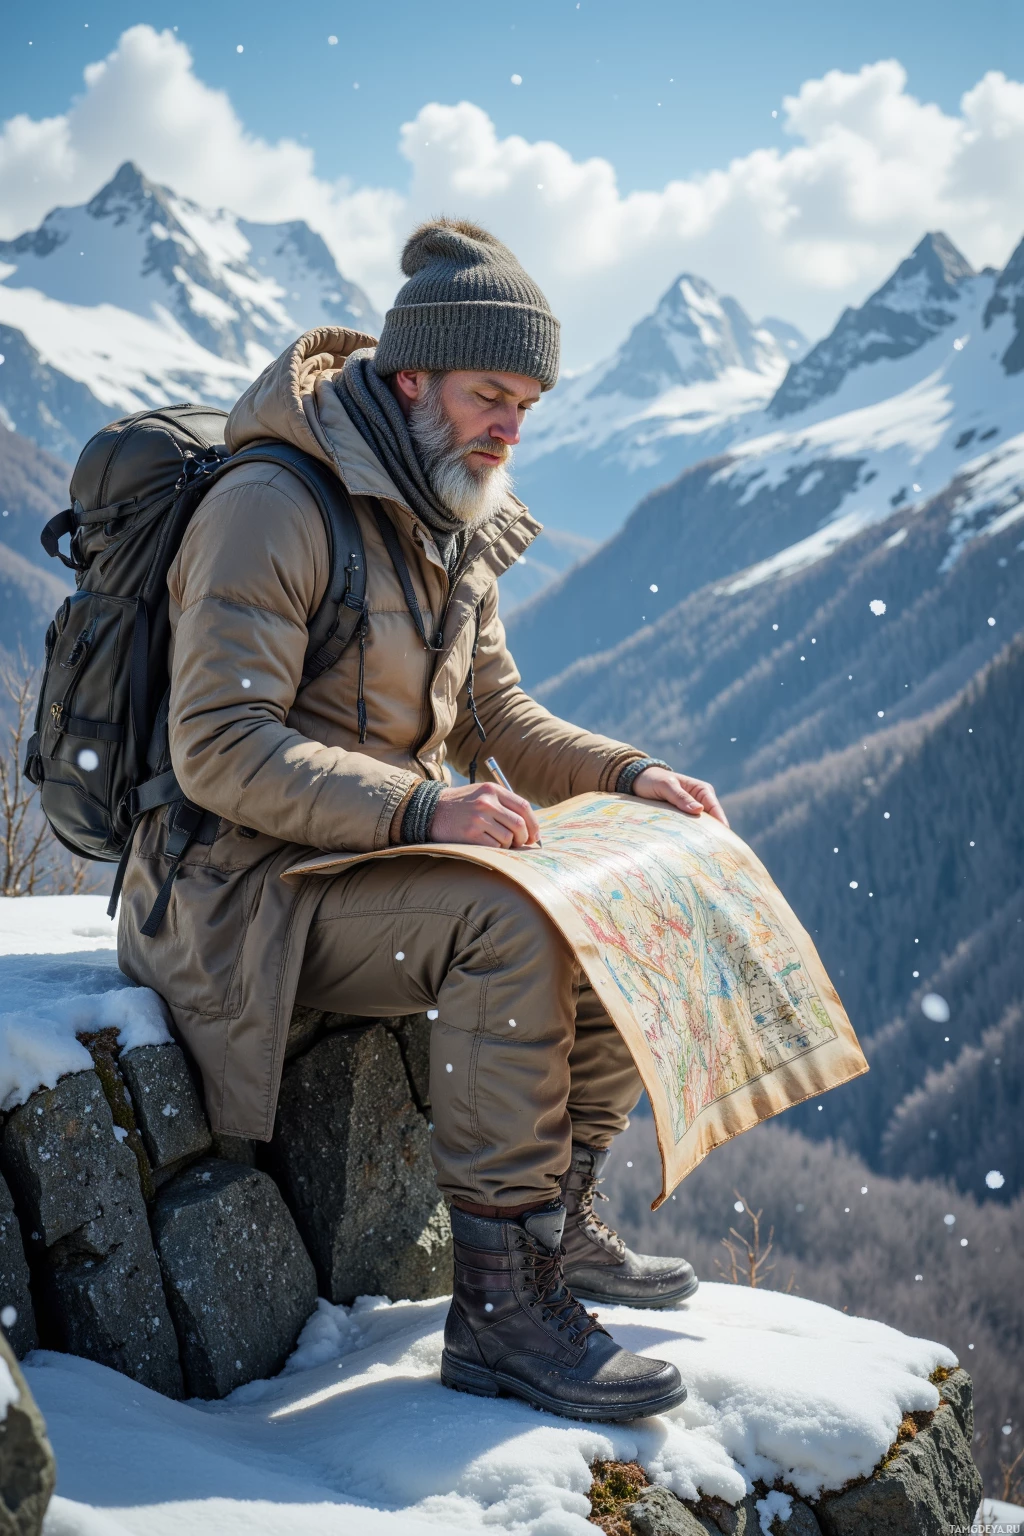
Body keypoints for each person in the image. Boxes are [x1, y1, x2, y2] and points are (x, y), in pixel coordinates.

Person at [119, 218, 728, 1423]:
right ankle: (501, 1312)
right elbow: (219, 748)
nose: (511, 426)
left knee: (618, 887)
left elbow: (498, 710)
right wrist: (420, 802)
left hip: (360, 865)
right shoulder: (272, 505)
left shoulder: (445, 510)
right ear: (410, 381)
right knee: (517, 924)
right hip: (237, 892)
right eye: (487, 395)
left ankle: (559, 1225)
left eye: (528, 403)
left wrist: (628, 774)